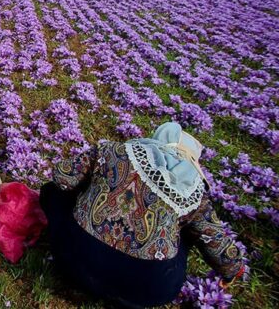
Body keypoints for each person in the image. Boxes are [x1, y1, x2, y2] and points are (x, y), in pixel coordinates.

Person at [39, 122, 246, 308]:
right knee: (188, 231)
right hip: (146, 291)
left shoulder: (111, 150)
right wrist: (233, 269)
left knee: (52, 191)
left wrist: (91, 189)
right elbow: (215, 240)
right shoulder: (192, 193)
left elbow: (61, 177)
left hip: (72, 258)